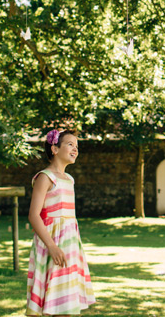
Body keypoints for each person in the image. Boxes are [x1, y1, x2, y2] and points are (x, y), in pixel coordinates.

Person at [27, 129, 96, 315]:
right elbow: (34, 215)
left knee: (67, 303)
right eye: (70, 144)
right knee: (53, 302)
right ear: (55, 149)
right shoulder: (45, 177)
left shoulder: (69, 179)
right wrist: (52, 246)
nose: (75, 149)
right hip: (51, 243)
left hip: (69, 245)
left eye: (77, 146)